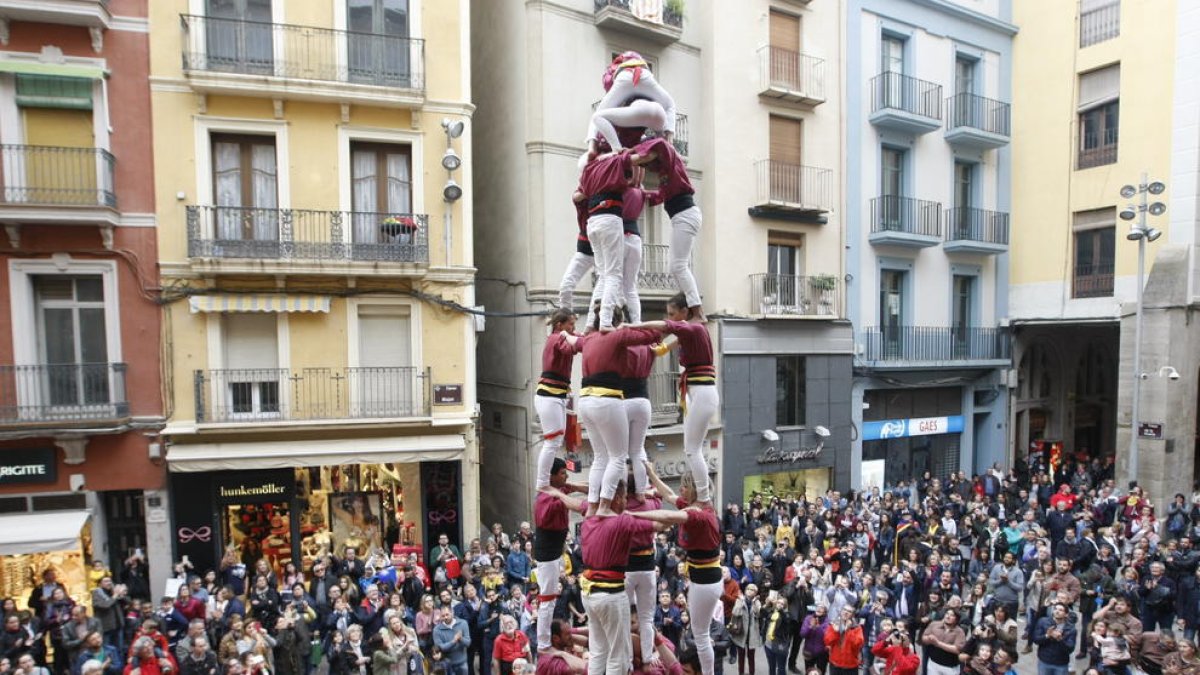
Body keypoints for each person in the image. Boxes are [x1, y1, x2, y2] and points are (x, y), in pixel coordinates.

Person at [629, 294, 718, 504]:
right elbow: (678, 338)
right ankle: (703, 496)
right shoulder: (694, 329)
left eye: (672, 313)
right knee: (691, 449)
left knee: (692, 449)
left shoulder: (694, 328)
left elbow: (666, 327)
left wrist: (634, 326)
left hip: (702, 392)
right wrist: (665, 348)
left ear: (685, 312)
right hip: (696, 391)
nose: (669, 317)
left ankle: (704, 497)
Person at [634, 466, 723, 675]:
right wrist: (652, 473)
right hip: (703, 577)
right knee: (700, 631)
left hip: (706, 580)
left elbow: (667, 516)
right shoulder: (695, 507)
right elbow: (668, 495)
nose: (680, 489)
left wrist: (634, 514)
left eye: (684, 486)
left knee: (700, 634)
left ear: (694, 489)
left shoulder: (699, 514)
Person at [573, 310, 660, 516]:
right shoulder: (619, 337)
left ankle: (594, 504)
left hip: (586, 399)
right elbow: (654, 335)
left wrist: (566, 334)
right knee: (623, 455)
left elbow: (573, 342)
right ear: (618, 321)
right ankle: (620, 499)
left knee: (601, 457)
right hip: (614, 399)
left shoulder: (590, 338)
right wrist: (633, 327)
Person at [586, 52, 676, 157]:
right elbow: (669, 105)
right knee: (670, 104)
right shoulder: (639, 63)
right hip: (645, 76)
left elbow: (608, 84)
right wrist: (669, 133)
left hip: (624, 77)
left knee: (597, 116)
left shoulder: (614, 69)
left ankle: (606, 148)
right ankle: (668, 141)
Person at [534, 310, 581, 490]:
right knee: (552, 441)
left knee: (556, 440)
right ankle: (542, 482)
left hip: (556, 395)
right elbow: (570, 348)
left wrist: (580, 336)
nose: (573, 328)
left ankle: (543, 482)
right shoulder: (557, 338)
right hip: (550, 395)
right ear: (560, 325)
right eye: (571, 324)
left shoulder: (559, 336)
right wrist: (581, 340)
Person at [1033, 603, 1076, 675]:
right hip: (1045, 661)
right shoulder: (1043, 621)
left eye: (1061, 610)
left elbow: (1070, 649)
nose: (1057, 611)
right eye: (1055, 609)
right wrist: (1047, 636)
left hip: (1061, 664)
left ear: (1066, 614)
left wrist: (1060, 640)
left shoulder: (1071, 629)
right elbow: (1036, 639)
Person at [823, 607, 864, 675]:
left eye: (849, 611)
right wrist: (835, 632)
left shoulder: (857, 628)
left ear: (852, 615)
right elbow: (827, 642)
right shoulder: (834, 624)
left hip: (850, 666)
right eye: (844, 610)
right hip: (835, 664)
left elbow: (857, 645)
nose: (846, 612)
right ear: (841, 611)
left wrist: (848, 630)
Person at [433, 607, 470, 675]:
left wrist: (460, 638)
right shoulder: (437, 630)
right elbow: (440, 648)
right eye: (443, 616)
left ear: (452, 613)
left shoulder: (463, 623)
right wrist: (454, 641)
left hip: (462, 662)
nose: (445, 617)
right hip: (446, 665)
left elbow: (468, 643)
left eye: (447, 614)